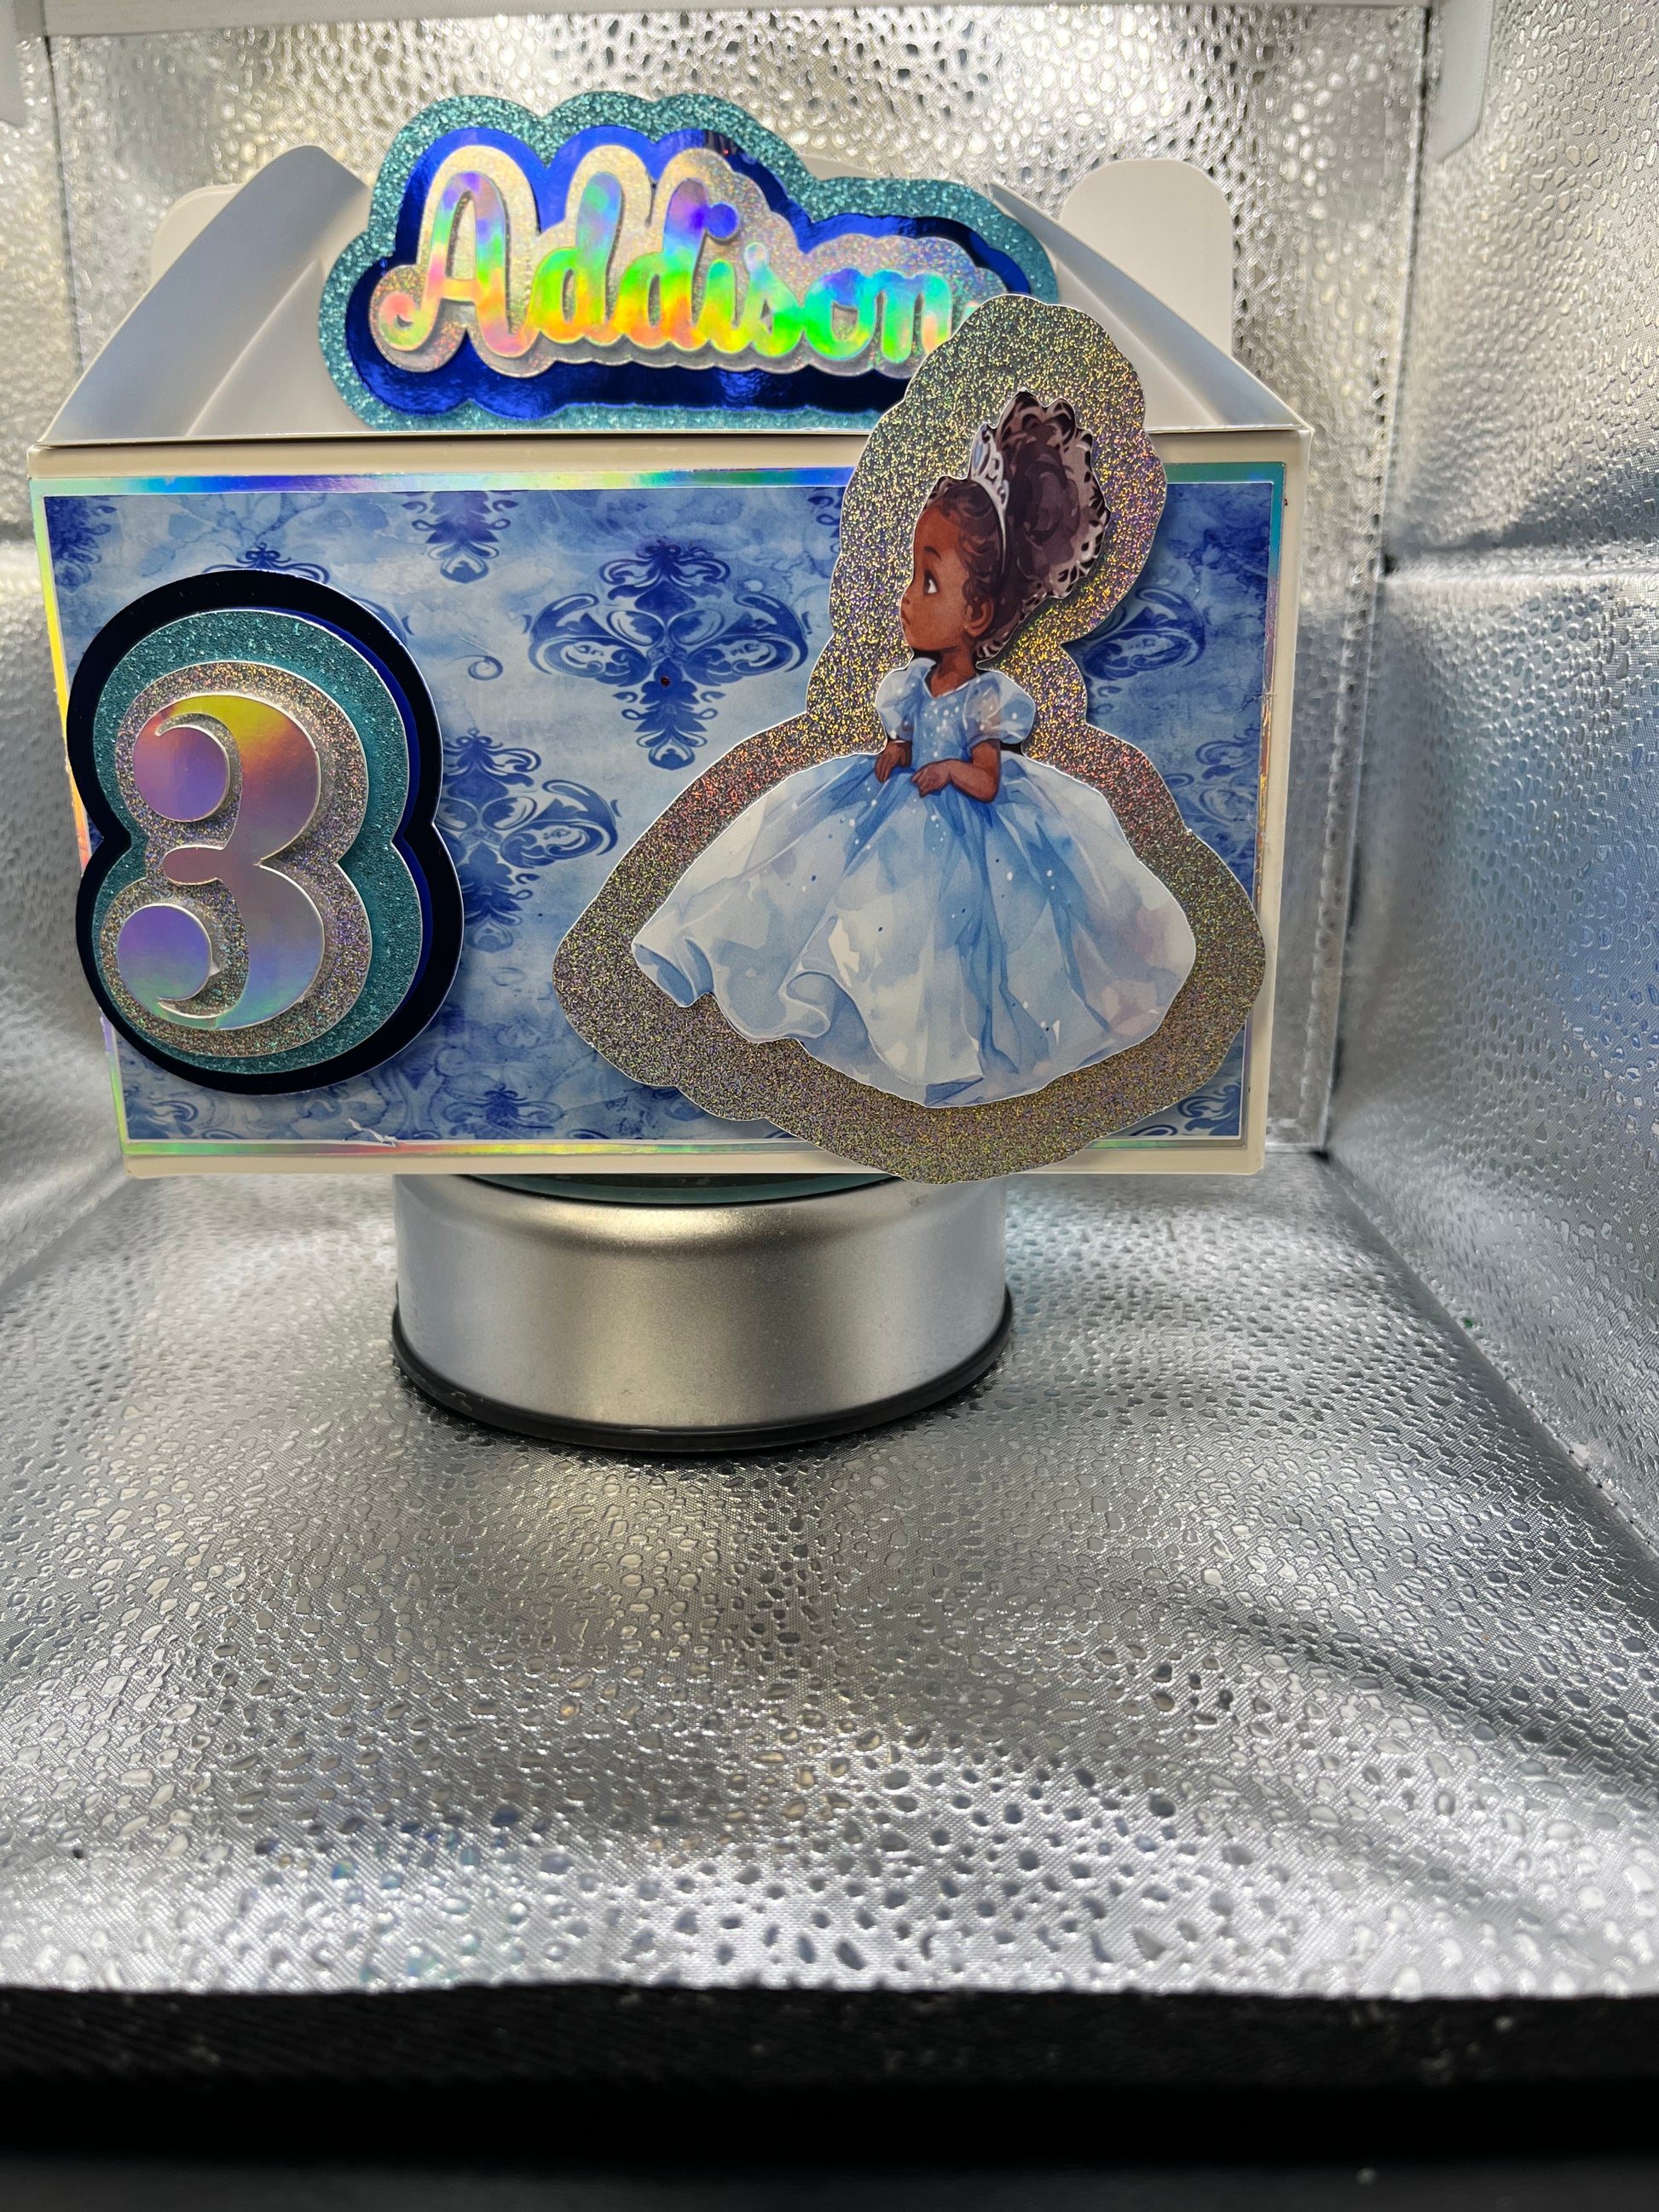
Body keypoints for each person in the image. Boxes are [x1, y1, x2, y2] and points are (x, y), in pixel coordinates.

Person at [630, 390, 1197, 1108]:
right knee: (828, 880)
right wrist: (898, 751)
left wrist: (949, 767)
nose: (906, 597)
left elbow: (987, 780)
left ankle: (941, 1044)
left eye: (928, 581)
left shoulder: (985, 699)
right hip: (898, 804)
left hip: (964, 825)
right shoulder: (909, 686)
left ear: (977, 611)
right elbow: (906, 733)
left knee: (952, 928)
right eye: (911, 576)